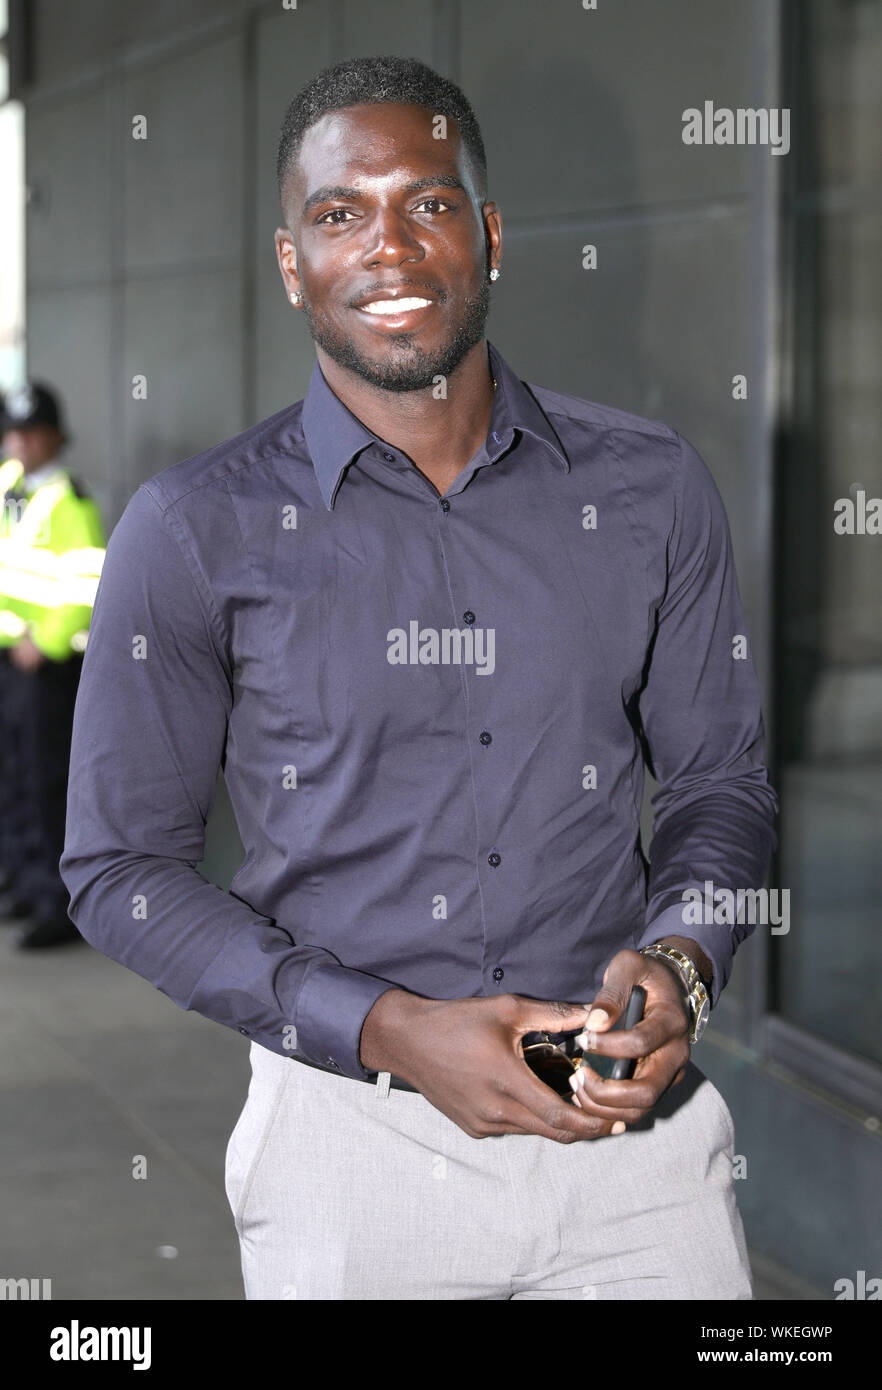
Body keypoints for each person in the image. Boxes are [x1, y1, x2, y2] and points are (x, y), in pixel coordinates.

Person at [60, 56, 777, 1299]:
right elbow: (117, 869)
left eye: (428, 203)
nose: (389, 248)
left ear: (488, 234)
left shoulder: (651, 488)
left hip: (629, 1137)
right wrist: (384, 1025)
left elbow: (722, 782)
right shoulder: (191, 532)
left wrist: (684, 964)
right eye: (341, 214)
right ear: (293, 263)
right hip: (351, 1148)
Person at [0, 382, 106, 948]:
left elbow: (87, 581)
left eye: (30, 432)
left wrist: (45, 642)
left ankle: (54, 901)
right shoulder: (9, 487)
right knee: (12, 775)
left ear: (53, 437)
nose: (19, 441)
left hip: (44, 664)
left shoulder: (70, 499)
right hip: (9, 657)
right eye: (12, 431)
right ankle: (21, 878)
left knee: (45, 781)